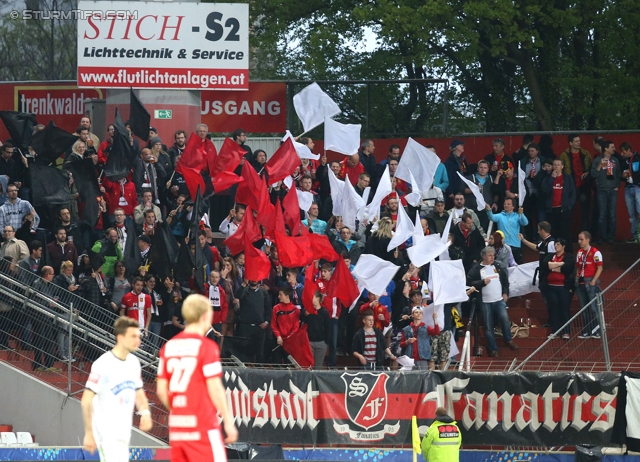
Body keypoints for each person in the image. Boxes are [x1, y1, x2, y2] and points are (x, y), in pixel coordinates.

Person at [157, 294, 238, 462]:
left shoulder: (169, 347)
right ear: (205, 316)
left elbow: (161, 391)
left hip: (178, 427)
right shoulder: (207, 347)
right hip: (202, 424)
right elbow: (215, 388)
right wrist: (228, 422)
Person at [81, 317, 152, 461]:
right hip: (106, 431)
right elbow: (86, 401)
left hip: (124, 429)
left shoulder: (134, 362)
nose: (138, 340)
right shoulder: (103, 364)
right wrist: (89, 433)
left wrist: (145, 412)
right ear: (120, 337)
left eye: (139, 336)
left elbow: (139, 392)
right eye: (133, 336)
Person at [467, 246, 517, 357]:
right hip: (485, 301)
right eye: (490, 255)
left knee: (505, 318)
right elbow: (469, 281)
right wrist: (482, 282)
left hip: (499, 300)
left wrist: (505, 293)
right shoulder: (476, 268)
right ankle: (493, 349)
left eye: (493, 255)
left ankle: (508, 339)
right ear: (483, 256)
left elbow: (505, 282)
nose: (492, 257)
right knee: (488, 326)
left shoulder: (498, 266)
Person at [559, 135, 593, 234]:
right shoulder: (564, 155)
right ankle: (566, 233)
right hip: (571, 186)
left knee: (585, 211)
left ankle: (585, 233)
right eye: (576, 141)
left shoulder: (585, 153)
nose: (579, 143)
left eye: (579, 141)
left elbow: (591, 168)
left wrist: (588, 173)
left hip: (584, 186)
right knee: (568, 210)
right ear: (570, 143)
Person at [591, 139, 621, 243]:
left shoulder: (615, 160)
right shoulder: (597, 160)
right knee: (602, 215)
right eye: (612, 147)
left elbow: (618, 175)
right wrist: (600, 165)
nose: (614, 149)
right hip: (602, 191)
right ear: (606, 149)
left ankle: (611, 237)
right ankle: (602, 237)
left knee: (612, 215)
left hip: (613, 191)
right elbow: (593, 174)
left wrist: (617, 185)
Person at [545, 239, 575, 339]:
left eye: (558, 244)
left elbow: (567, 268)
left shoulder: (568, 256)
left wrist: (553, 267)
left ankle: (566, 331)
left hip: (563, 287)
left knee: (564, 309)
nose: (556, 246)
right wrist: (560, 265)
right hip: (551, 287)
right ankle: (555, 331)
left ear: (563, 246)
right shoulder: (550, 256)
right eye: (555, 244)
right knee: (554, 309)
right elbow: (545, 265)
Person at [540, 159, 576, 243]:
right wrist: (552, 178)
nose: (556, 166)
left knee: (565, 232)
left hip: (564, 209)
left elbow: (573, 193)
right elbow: (544, 190)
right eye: (554, 165)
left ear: (562, 167)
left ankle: (567, 252)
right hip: (551, 209)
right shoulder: (548, 178)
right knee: (553, 232)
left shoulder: (567, 178)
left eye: (558, 165)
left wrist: (569, 206)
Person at [575, 231, 603, 339]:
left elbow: (600, 268)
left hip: (591, 282)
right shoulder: (579, 252)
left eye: (581, 239)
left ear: (588, 239)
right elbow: (578, 266)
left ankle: (597, 330)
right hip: (581, 282)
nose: (579, 241)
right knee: (584, 308)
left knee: (594, 307)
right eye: (578, 239)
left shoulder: (595, 252)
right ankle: (586, 330)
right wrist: (577, 278)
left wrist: (593, 281)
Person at [485, 198, 528, 264]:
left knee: (516, 267)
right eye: (505, 204)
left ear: (513, 206)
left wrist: (521, 214)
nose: (506, 205)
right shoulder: (500, 215)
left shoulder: (517, 216)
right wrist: (489, 210)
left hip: (515, 245)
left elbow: (525, 223)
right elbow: (492, 217)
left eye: (508, 204)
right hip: (504, 245)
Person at [302, 290, 330, 369]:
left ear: (317, 298)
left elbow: (328, 327)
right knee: (308, 366)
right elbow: (301, 322)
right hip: (309, 342)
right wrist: (304, 314)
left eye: (312, 297)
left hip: (321, 342)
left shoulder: (324, 312)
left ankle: (316, 381)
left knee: (318, 367)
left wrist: (326, 342)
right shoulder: (306, 311)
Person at [619, 142, 640, 241]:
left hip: (637, 187)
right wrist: (623, 176)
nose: (621, 154)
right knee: (631, 214)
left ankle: (639, 234)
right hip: (628, 188)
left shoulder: (637, 159)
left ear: (628, 150)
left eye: (623, 152)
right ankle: (634, 235)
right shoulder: (623, 161)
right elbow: (622, 175)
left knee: (639, 211)